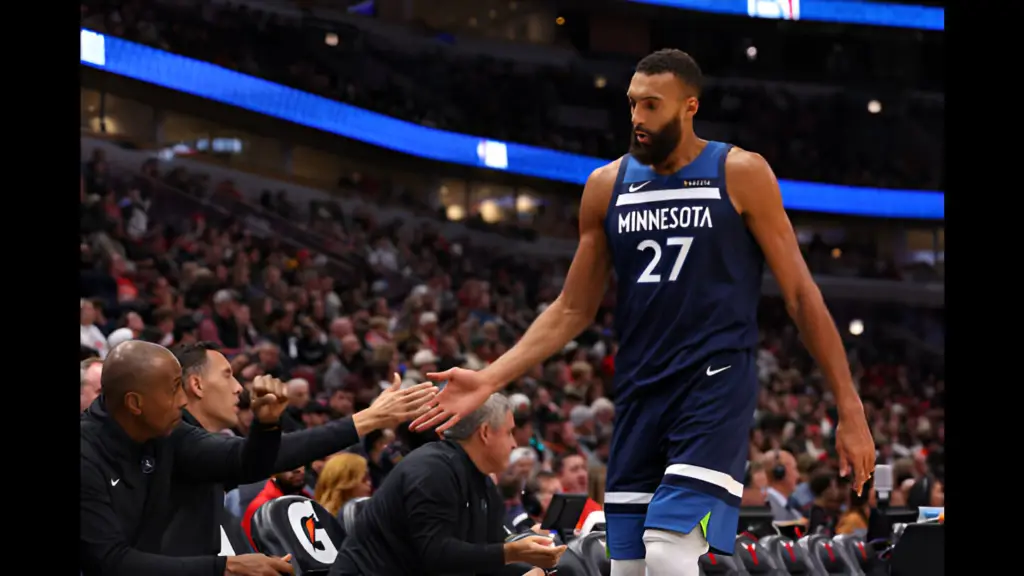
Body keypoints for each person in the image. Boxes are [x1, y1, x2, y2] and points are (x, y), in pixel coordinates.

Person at [413, 48, 876, 576]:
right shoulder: (606, 185)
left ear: (689, 107)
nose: (637, 118)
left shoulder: (741, 172)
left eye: (652, 105)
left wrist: (850, 404)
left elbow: (800, 295)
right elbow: (571, 307)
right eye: (632, 104)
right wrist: (488, 378)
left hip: (713, 381)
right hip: (640, 389)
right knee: (629, 566)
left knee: (668, 548)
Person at [163, 341, 437, 556]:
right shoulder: (176, 438)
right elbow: (264, 456)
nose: (238, 388)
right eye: (227, 376)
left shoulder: (197, 444)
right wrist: (367, 419)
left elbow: (259, 457)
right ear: (196, 385)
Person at [80, 341, 294, 576]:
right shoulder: (86, 456)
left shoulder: (163, 430)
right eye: (173, 389)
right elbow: (111, 562)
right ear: (135, 403)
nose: (183, 401)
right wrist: (226, 567)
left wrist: (266, 426)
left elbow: (242, 464)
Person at [331, 394, 566, 576]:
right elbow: (435, 554)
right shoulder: (432, 470)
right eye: (509, 433)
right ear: (485, 432)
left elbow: (489, 561)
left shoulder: (483, 484)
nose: (515, 444)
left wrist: (536, 565)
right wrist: (511, 552)